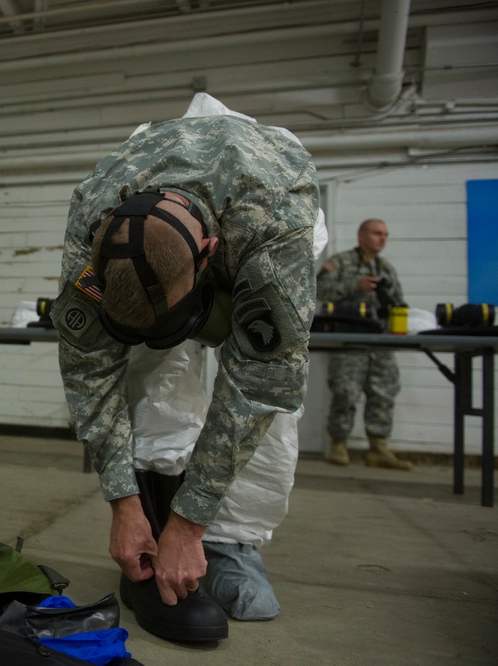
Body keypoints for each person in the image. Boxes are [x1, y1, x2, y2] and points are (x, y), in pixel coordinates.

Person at [50, 94, 321, 643]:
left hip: (256, 204)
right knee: (155, 379)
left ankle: (230, 542)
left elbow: (262, 385)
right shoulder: (91, 222)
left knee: (268, 411)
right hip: (164, 201)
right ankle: (153, 515)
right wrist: (123, 502)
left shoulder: (275, 224)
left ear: (209, 253)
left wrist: (191, 523)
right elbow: (88, 373)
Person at [317, 219, 412, 470]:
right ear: (361, 236)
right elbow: (318, 289)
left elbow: (398, 302)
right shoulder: (341, 262)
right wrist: (354, 285)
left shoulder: (386, 269)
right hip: (349, 340)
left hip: (380, 340)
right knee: (345, 392)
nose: (382, 238)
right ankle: (339, 444)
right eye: (377, 233)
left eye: (385, 234)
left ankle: (378, 449)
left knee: (384, 392)